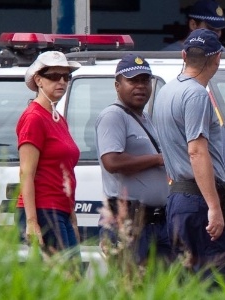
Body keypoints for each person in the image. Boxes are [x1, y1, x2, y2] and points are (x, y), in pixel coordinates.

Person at [153, 29, 225, 282]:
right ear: (217, 59)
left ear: (183, 55)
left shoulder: (166, 91)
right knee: (220, 278)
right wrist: (214, 205)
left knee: (188, 281)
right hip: (197, 201)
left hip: (179, 198)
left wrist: (218, 199)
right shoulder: (196, 94)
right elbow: (196, 150)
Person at [95, 54, 172, 265]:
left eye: (145, 80)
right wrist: (157, 159)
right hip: (128, 222)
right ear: (117, 86)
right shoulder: (113, 116)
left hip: (157, 222)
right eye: (133, 81)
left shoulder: (145, 117)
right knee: (129, 287)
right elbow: (112, 162)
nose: (140, 86)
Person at [15, 51, 82, 257]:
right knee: (67, 277)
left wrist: (72, 218)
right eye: (54, 76)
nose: (61, 81)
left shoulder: (57, 118)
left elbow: (64, 173)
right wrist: (32, 221)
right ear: (38, 80)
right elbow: (26, 172)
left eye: (66, 77)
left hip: (60, 209)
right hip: (44, 208)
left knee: (72, 276)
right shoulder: (34, 117)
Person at [161, 0, 225, 51]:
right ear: (193, 25)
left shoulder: (221, 51)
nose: (216, 34)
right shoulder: (171, 54)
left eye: (219, 30)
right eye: (211, 28)